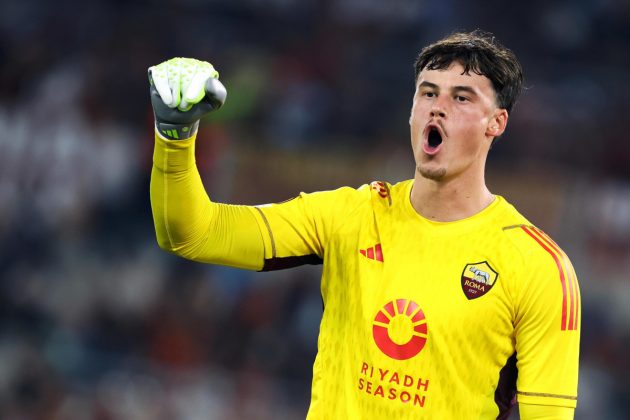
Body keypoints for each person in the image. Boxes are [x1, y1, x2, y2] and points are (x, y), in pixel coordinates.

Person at [148, 31, 580, 419]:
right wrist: (174, 136)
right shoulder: (349, 215)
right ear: (411, 112)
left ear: (496, 123)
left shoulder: (537, 267)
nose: (438, 108)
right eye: (428, 93)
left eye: (462, 98)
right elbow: (191, 233)